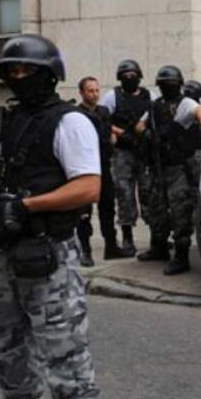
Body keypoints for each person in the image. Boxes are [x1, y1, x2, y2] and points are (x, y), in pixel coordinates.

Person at [0, 34, 100, 399]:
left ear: (50, 74)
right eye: (13, 70)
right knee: (5, 347)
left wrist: (26, 206)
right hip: (3, 253)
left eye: (29, 70)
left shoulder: (70, 122)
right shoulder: (5, 120)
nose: (20, 77)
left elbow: (88, 187)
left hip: (48, 255)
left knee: (64, 351)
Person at [136, 66, 201, 275]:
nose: (167, 87)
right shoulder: (155, 106)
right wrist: (149, 133)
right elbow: (139, 126)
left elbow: (200, 112)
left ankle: (181, 256)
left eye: (170, 84)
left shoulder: (184, 103)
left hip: (178, 167)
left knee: (180, 211)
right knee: (156, 209)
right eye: (164, 84)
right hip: (158, 166)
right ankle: (158, 247)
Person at [76, 76, 130, 266]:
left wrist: (113, 137)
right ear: (82, 93)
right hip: (85, 167)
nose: (95, 94)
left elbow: (107, 132)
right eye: (90, 91)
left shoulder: (104, 111)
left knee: (108, 208)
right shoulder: (76, 114)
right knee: (84, 212)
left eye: (97, 90)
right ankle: (85, 250)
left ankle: (111, 246)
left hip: (104, 165)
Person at [101, 59, 152, 256]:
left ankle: (157, 237)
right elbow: (103, 118)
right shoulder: (112, 96)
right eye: (125, 76)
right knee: (125, 194)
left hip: (143, 152)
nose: (129, 78)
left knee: (149, 192)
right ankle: (127, 238)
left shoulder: (149, 95)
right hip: (122, 153)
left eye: (133, 75)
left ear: (139, 76)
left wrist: (144, 126)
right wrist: (120, 132)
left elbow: (154, 114)